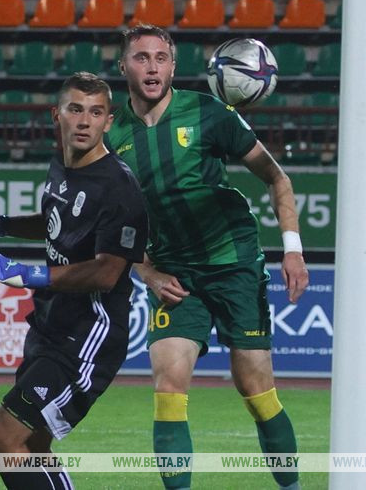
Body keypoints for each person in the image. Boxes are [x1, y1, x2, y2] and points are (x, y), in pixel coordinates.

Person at [106, 25, 310, 490]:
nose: (152, 67)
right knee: (168, 387)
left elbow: (276, 178)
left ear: (173, 67)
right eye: (141, 58)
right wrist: (148, 272)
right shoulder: (111, 136)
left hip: (234, 263)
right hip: (174, 274)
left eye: (161, 58)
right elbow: (113, 227)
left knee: (256, 391)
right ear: (124, 66)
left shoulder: (208, 113)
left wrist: (293, 250)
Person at [0, 72, 148, 489]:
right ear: (57, 115)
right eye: (76, 110)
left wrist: (25, 273)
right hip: (50, 326)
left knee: (3, 438)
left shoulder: (119, 187)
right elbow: (56, 222)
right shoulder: (61, 167)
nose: (85, 121)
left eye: (96, 112)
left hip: (87, 337)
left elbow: (107, 272)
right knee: (32, 447)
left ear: (109, 121)